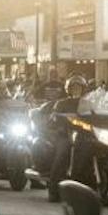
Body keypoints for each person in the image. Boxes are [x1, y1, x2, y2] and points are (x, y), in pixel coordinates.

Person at [45, 74, 90, 202]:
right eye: (74, 87)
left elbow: (96, 114)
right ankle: (53, 191)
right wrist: (57, 118)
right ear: (68, 89)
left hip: (84, 135)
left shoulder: (88, 103)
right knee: (62, 154)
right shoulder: (62, 103)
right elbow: (54, 117)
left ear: (83, 89)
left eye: (79, 87)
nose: (76, 89)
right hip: (65, 134)